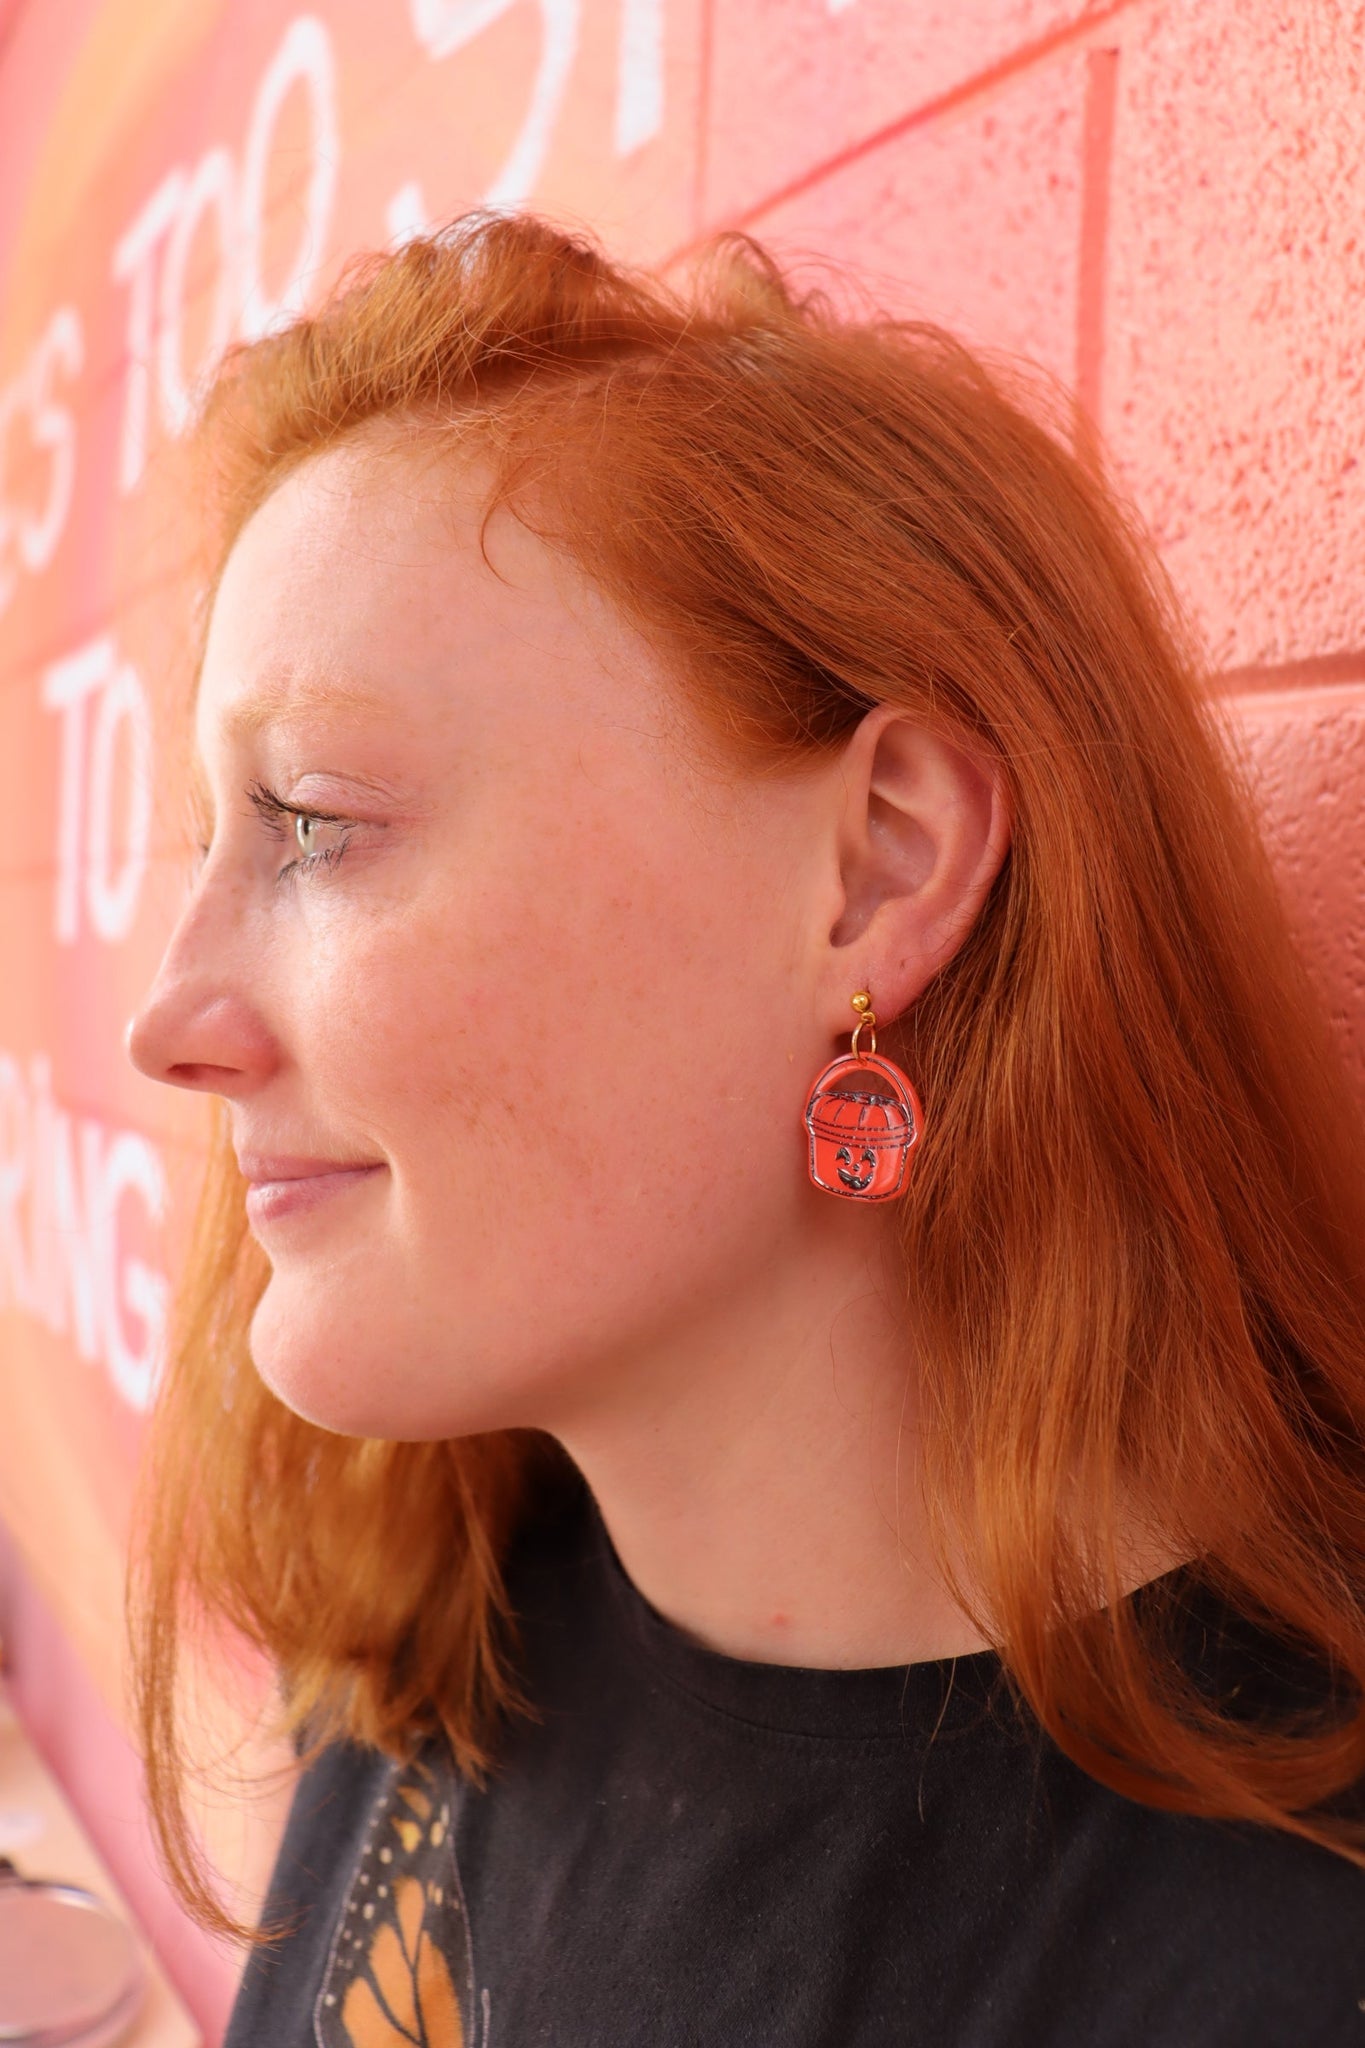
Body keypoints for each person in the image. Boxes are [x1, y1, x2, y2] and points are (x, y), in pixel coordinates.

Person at [125, 211, 1365, 2046]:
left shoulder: (1280, 1952)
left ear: (877, 870)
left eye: (316, 822)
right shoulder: (438, 1622)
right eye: (210, 841)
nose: (170, 1025)